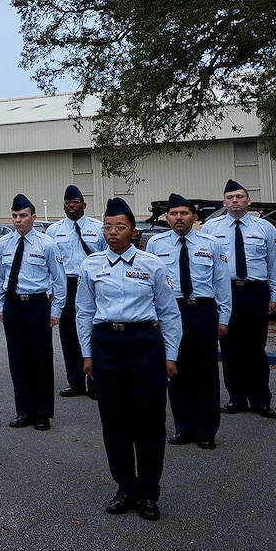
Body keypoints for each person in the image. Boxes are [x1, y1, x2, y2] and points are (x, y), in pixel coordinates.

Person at [77, 198, 182, 521]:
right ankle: (125, 486)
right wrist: (87, 353)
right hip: (106, 343)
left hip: (144, 343)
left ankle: (148, 491)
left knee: (149, 421)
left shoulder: (152, 265)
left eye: (120, 227)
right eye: (107, 227)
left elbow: (169, 313)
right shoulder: (91, 265)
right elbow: (84, 312)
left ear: (134, 231)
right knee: (115, 421)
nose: (112, 232)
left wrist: (171, 354)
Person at [144, 194, 232, 449]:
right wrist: (153, 316)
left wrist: (223, 317)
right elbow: (149, 284)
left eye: (184, 213)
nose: (179, 218)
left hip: (203, 310)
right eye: (173, 214)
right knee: (175, 369)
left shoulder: (211, 243)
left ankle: (206, 430)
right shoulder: (155, 244)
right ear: (167, 217)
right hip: (171, 310)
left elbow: (221, 283)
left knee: (205, 371)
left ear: (194, 217)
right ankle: (183, 426)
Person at [201, 179, 276, 417]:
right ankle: (236, 398)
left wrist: (275, 296)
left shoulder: (265, 228)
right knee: (230, 347)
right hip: (225, 292)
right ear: (223, 202)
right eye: (230, 197)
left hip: (255, 292)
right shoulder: (210, 228)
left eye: (239, 197)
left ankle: (260, 400)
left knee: (256, 348)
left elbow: (275, 264)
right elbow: (205, 265)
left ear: (248, 200)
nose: (235, 201)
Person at [0, 194, 66, 430]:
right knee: (18, 360)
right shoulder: (3, 244)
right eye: (14, 216)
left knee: (40, 360)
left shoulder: (47, 244)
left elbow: (59, 280)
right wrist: (1, 306)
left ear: (33, 217)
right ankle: (24, 410)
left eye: (23, 216)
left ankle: (42, 413)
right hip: (13, 305)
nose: (18, 220)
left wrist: (56, 311)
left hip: (37, 305)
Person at [49, 186, 102, 399]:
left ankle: (95, 382)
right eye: (68, 203)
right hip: (66, 285)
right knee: (69, 335)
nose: (71, 206)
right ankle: (75, 382)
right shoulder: (54, 230)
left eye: (76, 202)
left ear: (84, 204)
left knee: (92, 331)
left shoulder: (98, 228)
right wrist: (52, 291)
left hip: (91, 285)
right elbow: (50, 265)